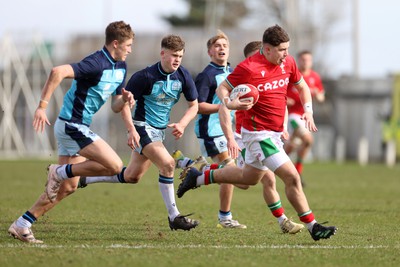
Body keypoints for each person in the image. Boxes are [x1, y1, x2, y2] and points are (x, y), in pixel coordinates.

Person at [177, 25, 337, 241]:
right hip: (258, 135)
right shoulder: (248, 68)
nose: (286, 54)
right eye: (282, 50)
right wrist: (229, 102)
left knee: (248, 179)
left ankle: (199, 177)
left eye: (287, 49)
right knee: (291, 177)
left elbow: (302, 87)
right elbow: (222, 88)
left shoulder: (287, 62)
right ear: (267, 48)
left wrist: (308, 111)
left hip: (273, 134)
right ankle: (313, 226)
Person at [8, 21, 137, 243]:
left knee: (68, 187)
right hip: (71, 124)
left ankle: (23, 223)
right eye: (128, 45)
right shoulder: (96, 63)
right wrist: (41, 107)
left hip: (78, 126)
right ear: (116, 43)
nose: (130, 49)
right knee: (115, 165)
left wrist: (124, 100)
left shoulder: (121, 66)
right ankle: (59, 171)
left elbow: (115, 105)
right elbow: (57, 71)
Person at [78, 34, 200, 231]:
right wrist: (129, 120)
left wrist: (183, 124)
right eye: (173, 55)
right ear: (162, 53)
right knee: (167, 164)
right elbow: (119, 105)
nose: (177, 59)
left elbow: (194, 106)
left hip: (159, 133)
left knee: (132, 176)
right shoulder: (145, 76)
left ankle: (86, 178)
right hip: (142, 127)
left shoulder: (183, 75)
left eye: (180, 56)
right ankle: (174, 216)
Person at [173, 30, 246, 229]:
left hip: (226, 130)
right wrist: (227, 105)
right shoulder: (207, 75)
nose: (221, 48)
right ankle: (224, 217)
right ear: (209, 52)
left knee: (231, 175)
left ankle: (190, 164)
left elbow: (232, 104)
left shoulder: (231, 72)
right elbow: (199, 106)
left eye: (225, 45)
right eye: (217, 46)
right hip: (210, 130)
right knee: (234, 175)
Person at [284, 50, 325, 185]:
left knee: (290, 147)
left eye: (308, 60)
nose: (305, 62)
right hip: (293, 116)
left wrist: (318, 95)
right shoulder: (293, 75)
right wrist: (286, 99)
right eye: (303, 59)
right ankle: (297, 171)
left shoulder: (315, 77)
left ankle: (274, 167)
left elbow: (321, 96)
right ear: (298, 61)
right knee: (308, 139)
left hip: (306, 117)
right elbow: (281, 92)